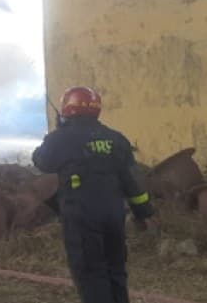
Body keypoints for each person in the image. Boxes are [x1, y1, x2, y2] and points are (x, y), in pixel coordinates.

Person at [32, 87, 156, 303]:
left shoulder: (60, 139)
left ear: (67, 109)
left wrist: (57, 132)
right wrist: (143, 212)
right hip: (114, 216)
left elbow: (42, 162)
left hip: (82, 217)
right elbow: (131, 181)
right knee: (116, 270)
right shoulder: (116, 139)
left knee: (91, 274)